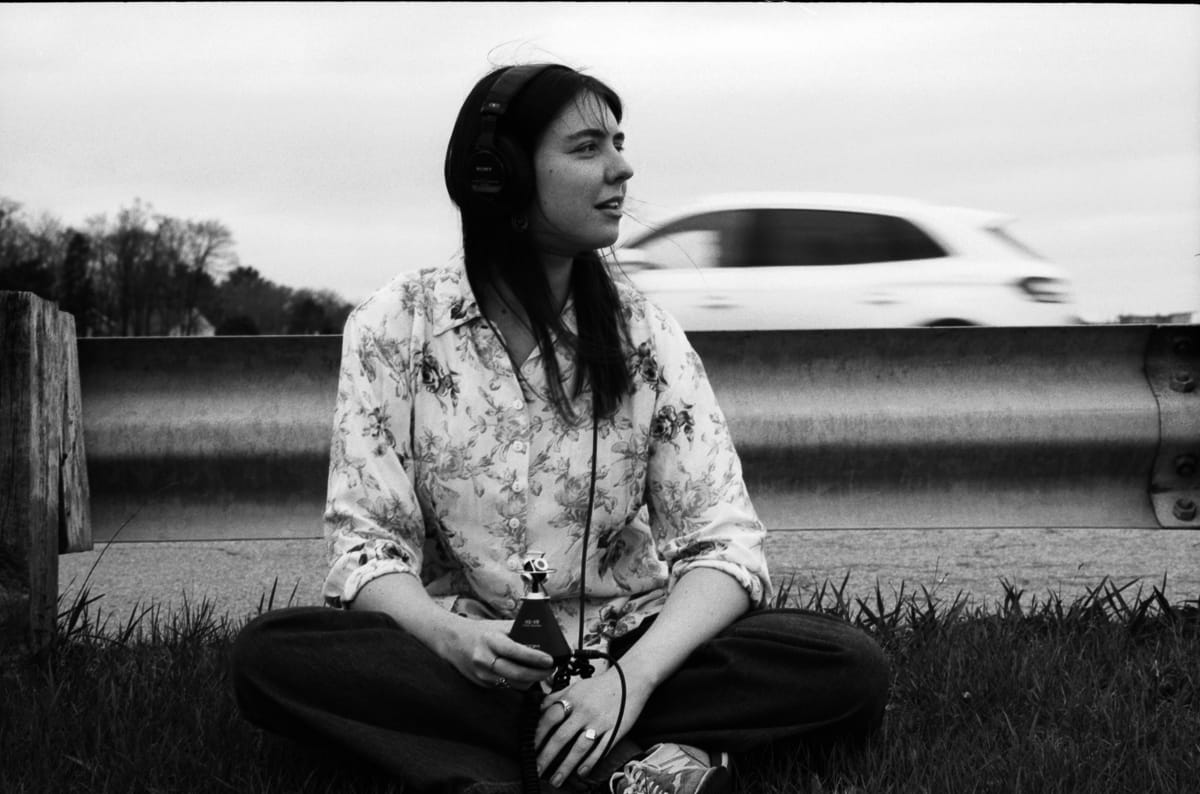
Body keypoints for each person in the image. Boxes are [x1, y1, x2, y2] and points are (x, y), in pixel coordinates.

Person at [230, 62, 890, 794]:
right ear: (501, 178)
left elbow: (724, 542)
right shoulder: (395, 325)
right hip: (467, 653)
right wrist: (451, 639)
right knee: (270, 656)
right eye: (587, 148)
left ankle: (498, 764)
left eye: (618, 141)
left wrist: (628, 682)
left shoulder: (645, 333)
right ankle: (634, 768)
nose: (622, 166)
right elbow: (365, 545)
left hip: (628, 646)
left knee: (847, 665)